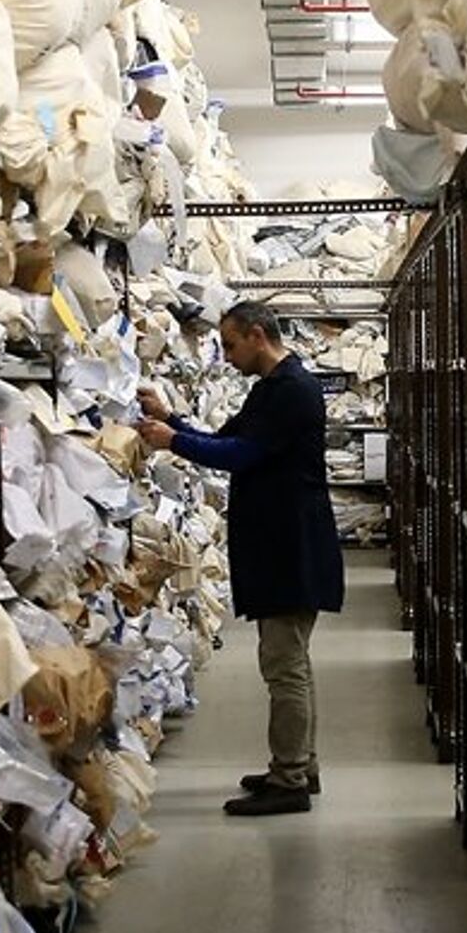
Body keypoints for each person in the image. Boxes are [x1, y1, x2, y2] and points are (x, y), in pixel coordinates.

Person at [137, 301, 344, 815]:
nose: (227, 357)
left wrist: (172, 441)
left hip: (291, 548)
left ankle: (290, 780)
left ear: (256, 335)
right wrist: (171, 421)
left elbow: (239, 455)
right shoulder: (272, 389)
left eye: (230, 345)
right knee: (291, 663)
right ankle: (299, 766)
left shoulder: (293, 391)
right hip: (281, 546)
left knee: (284, 666)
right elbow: (227, 438)